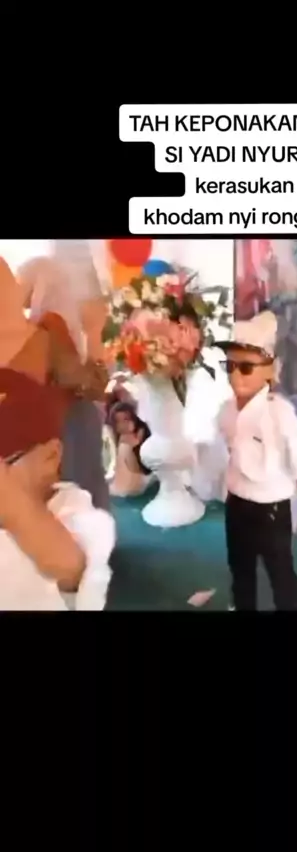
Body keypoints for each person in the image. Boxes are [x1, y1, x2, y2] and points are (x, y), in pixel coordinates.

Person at [215, 310, 297, 611]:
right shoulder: (225, 410)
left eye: (246, 367)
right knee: (240, 567)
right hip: (237, 501)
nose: (236, 375)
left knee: (280, 571)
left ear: (270, 370)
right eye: (230, 365)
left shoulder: (279, 413)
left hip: (271, 508)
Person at [0, 368, 114, 610]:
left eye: (5, 464)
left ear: (51, 455)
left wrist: (15, 511)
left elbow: (72, 571)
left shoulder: (76, 511)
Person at [17, 255, 110, 511]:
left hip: (63, 418)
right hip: (77, 413)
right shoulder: (68, 324)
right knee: (88, 484)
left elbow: (67, 375)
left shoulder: (49, 324)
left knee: (72, 491)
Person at [107, 401, 153, 498]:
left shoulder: (141, 432)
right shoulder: (121, 439)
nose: (123, 425)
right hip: (128, 480)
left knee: (124, 448)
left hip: (140, 476)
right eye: (118, 422)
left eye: (126, 419)